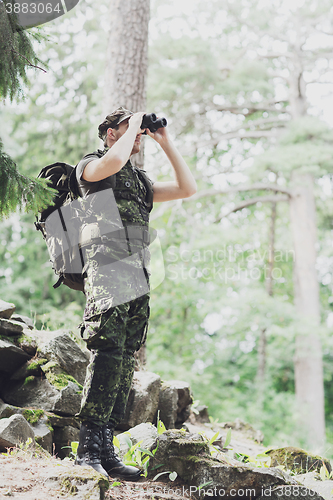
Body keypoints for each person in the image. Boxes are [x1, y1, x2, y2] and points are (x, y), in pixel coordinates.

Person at [74, 106, 197, 480]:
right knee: (108, 351)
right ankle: (87, 449)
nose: (138, 136)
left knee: (126, 357)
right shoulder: (91, 166)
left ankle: (106, 447)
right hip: (106, 270)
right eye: (130, 131)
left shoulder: (140, 181)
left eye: (139, 132)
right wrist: (133, 123)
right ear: (111, 132)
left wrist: (163, 140)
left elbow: (187, 188)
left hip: (137, 275)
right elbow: (110, 162)